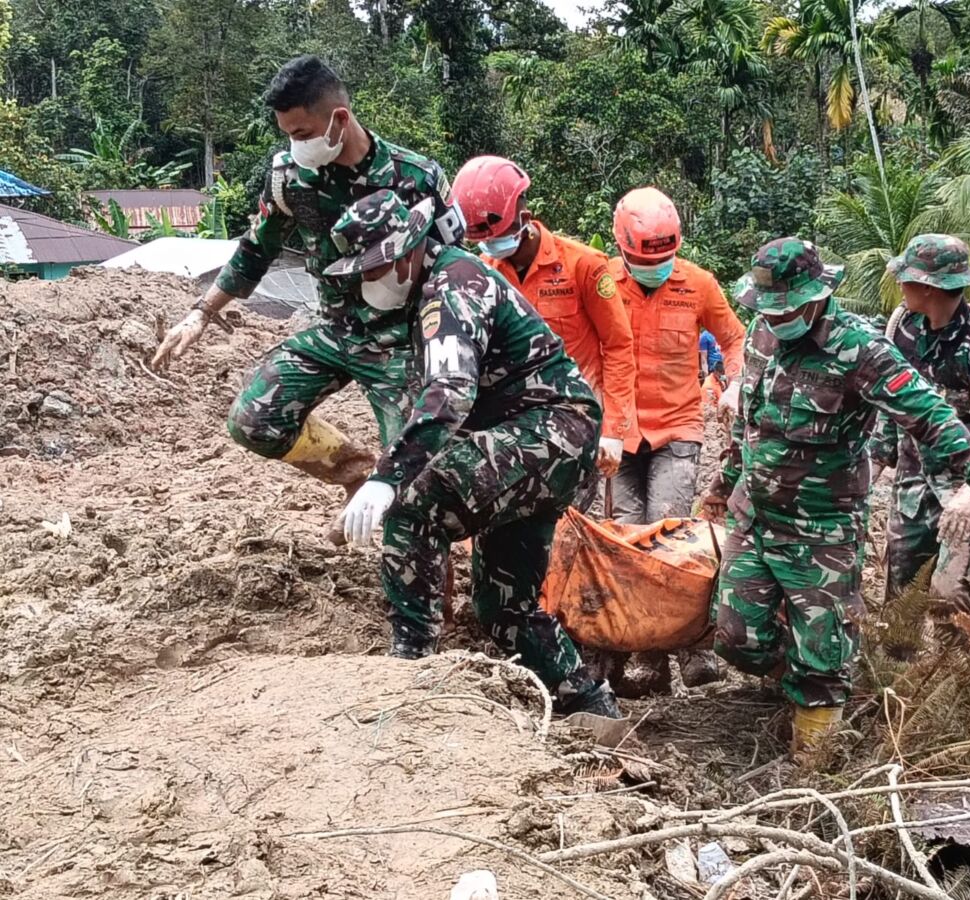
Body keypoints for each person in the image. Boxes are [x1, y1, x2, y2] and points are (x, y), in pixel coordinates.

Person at [702, 238, 970, 755]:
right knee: (737, 641)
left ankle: (815, 756)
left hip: (822, 529)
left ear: (817, 296)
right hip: (756, 517)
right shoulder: (763, 338)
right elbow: (750, 425)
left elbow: (930, 417)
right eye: (767, 309)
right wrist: (723, 485)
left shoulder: (862, 350)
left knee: (830, 658)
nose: (777, 317)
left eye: (788, 307)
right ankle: (797, 667)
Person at [326, 189, 620, 718]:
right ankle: (595, 710)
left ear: (410, 250)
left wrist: (387, 478)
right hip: (538, 443)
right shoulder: (428, 290)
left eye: (377, 269)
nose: (369, 283)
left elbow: (450, 391)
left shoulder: (452, 286)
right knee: (503, 608)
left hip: (548, 433)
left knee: (413, 498)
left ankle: (409, 667)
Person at [151, 56, 464, 540]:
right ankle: (357, 471)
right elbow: (256, 250)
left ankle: (424, 606)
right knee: (254, 420)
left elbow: (457, 270)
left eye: (301, 133)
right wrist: (201, 312)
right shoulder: (288, 178)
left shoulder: (416, 178)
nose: (294, 146)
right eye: (288, 135)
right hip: (335, 332)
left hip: (403, 345)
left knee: (416, 484)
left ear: (338, 119)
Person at [605, 186, 747, 696]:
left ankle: (689, 647)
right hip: (618, 434)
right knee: (625, 539)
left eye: (664, 258)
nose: (656, 268)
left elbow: (733, 338)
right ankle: (640, 654)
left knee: (668, 535)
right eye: (646, 260)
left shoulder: (699, 284)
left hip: (678, 427)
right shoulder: (602, 284)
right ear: (621, 246)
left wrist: (732, 384)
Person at [870, 235, 970, 641]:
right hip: (911, 490)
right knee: (900, 604)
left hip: (964, 493)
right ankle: (893, 691)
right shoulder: (902, 329)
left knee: (951, 599)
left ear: (927, 287)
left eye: (905, 278)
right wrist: (872, 465)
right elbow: (894, 406)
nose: (899, 285)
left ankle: (958, 693)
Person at [450, 156, 635, 493]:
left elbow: (618, 346)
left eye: (497, 234)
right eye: (483, 240)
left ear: (524, 217)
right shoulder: (484, 273)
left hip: (572, 422)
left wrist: (614, 430)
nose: (492, 246)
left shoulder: (584, 266)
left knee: (562, 530)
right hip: (509, 426)